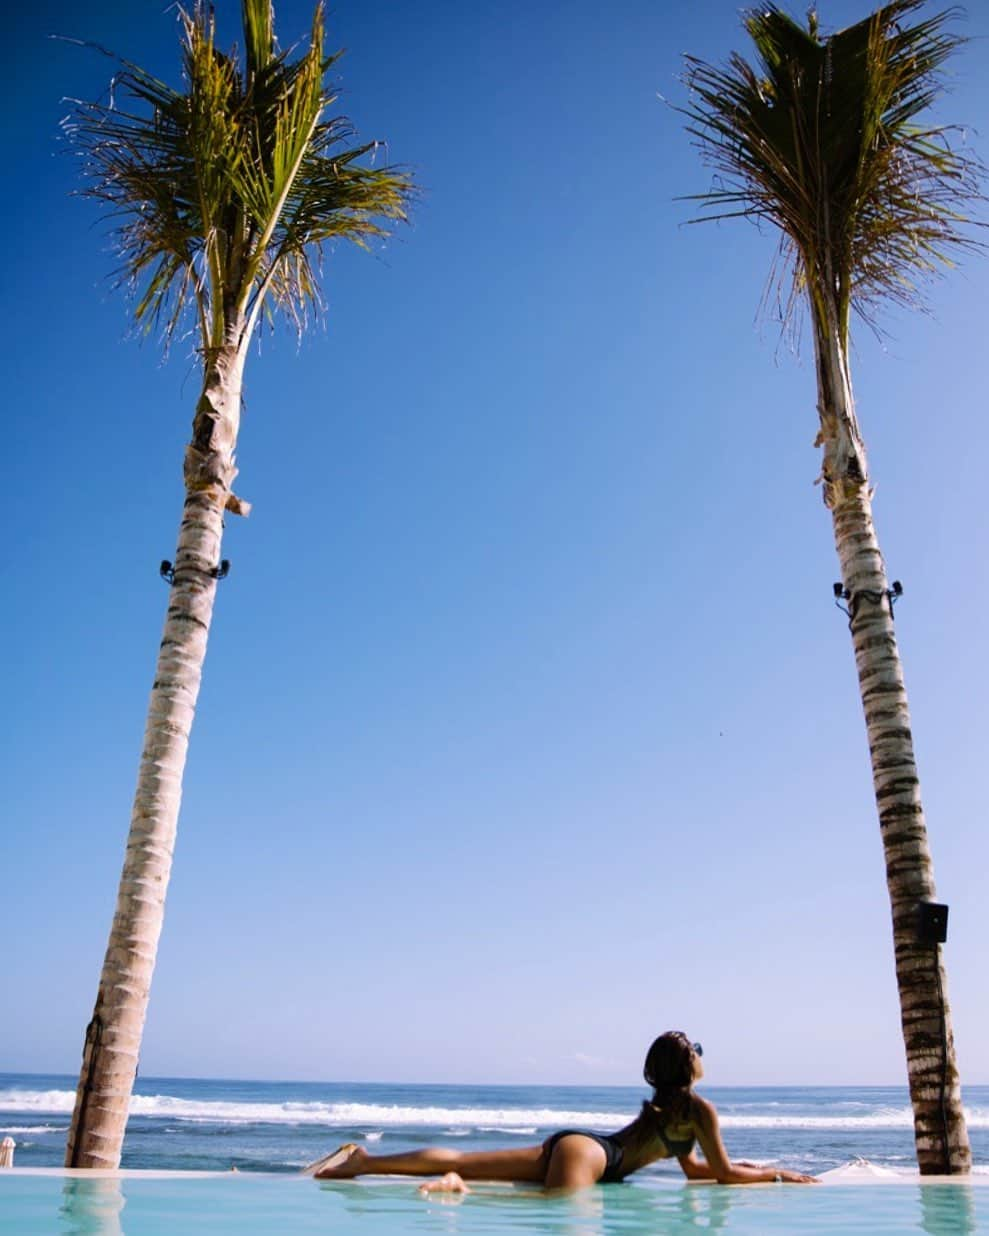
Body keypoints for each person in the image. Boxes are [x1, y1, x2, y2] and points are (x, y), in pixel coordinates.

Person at [304, 1031, 817, 1192]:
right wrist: (774, 1174)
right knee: (555, 1212)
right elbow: (720, 1175)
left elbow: (697, 1172)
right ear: (689, 1063)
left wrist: (751, 1168)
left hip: (584, 1146)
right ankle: (454, 1189)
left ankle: (365, 1163)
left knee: (467, 1157)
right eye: (699, 1048)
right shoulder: (699, 1109)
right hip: (597, 1159)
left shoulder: (670, 1110)